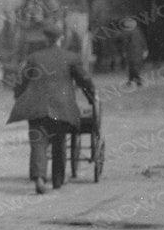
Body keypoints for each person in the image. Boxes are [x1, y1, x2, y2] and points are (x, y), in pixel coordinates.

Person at [8, 23, 97, 194]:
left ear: (46, 39)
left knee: (38, 143)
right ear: (61, 39)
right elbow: (84, 81)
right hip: (61, 107)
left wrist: (18, 96)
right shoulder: (71, 57)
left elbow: (21, 82)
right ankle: (57, 180)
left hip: (36, 107)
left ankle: (39, 178)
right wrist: (92, 96)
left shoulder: (34, 57)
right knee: (59, 142)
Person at [120, 16, 148, 88]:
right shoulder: (137, 31)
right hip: (136, 51)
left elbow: (125, 43)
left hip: (133, 51)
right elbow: (143, 41)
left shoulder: (128, 32)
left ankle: (135, 81)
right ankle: (134, 81)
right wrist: (145, 49)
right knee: (135, 66)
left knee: (133, 66)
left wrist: (124, 51)